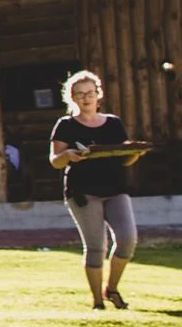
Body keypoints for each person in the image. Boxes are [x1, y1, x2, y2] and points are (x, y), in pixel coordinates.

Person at [50, 71, 143, 310]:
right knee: (96, 247)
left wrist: (135, 153)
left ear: (98, 95)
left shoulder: (113, 123)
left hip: (115, 188)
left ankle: (111, 288)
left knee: (127, 239)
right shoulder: (65, 125)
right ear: (72, 98)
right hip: (83, 191)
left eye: (90, 93)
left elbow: (124, 158)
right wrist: (68, 155)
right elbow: (55, 161)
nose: (86, 98)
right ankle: (98, 303)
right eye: (80, 94)